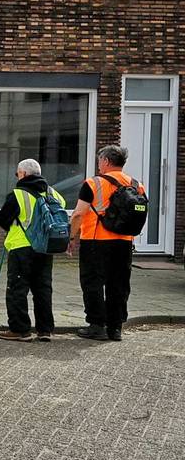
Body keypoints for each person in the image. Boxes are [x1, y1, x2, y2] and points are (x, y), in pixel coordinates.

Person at [69, 145, 146, 342]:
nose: (98, 165)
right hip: (124, 242)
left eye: (99, 161)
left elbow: (78, 213)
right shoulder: (137, 185)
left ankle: (97, 326)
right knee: (119, 284)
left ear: (105, 161)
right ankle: (116, 327)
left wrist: (71, 237)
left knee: (93, 283)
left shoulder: (93, 183)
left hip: (96, 241)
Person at [0, 159, 66, 342]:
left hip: (21, 247)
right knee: (43, 288)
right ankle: (45, 330)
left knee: (17, 289)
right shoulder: (54, 194)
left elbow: (3, 219)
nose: (17, 176)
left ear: (24, 174)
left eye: (18, 173)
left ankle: (20, 330)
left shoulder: (17, 195)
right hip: (46, 248)